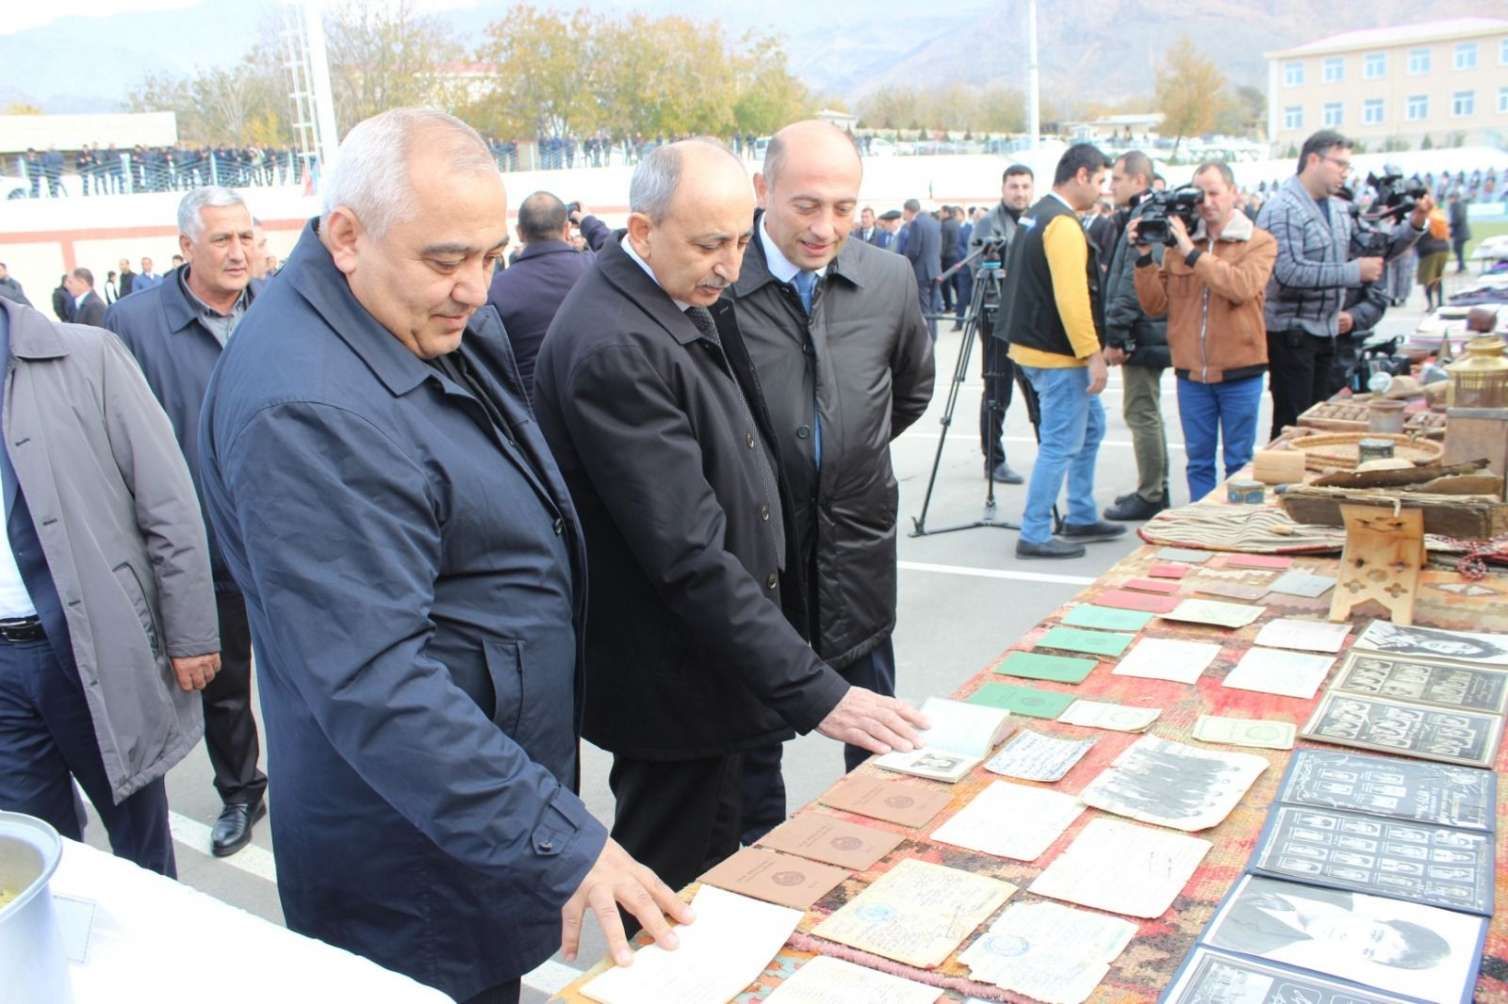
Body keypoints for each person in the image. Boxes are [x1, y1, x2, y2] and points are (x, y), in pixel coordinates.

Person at [197, 108, 689, 1004]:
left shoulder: (410, 315)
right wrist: (562, 841)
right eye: (446, 260)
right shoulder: (307, 407)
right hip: (406, 857)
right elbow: (375, 681)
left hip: (465, 817)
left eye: (489, 255)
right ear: (346, 236)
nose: (475, 287)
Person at [533, 139, 928, 897]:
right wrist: (822, 694)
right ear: (642, 233)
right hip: (677, 686)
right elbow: (687, 555)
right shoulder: (617, 344)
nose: (728, 263)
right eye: (710, 244)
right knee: (684, 886)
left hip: (714, 667)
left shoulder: (673, 296)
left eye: (740, 240)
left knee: (728, 866)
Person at [725, 121, 934, 841]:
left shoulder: (888, 279)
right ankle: (756, 879)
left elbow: (907, 394)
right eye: (806, 206)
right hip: (758, 559)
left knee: (878, 738)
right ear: (762, 191)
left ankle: (875, 862)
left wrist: (842, 461)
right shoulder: (721, 284)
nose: (826, 227)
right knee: (749, 756)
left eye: (844, 208)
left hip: (857, 552)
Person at [0, 294, 219, 879]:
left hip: (89, 641)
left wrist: (191, 631)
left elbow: (168, 502)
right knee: (39, 852)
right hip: (3, 669)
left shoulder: (86, 357)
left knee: (139, 846)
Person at [106, 187, 270, 858]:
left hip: (289, 536)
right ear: (186, 248)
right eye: (222, 241)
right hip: (203, 546)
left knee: (324, 672)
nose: (238, 253)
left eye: (245, 238)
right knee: (224, 686)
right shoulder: (131, 327)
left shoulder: (286, 310)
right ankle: (241, 792)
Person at [1256, 130, 1429, 438]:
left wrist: (1415, 224)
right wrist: (1352, 272)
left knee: (1319, 424)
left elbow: (1377, 248)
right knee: (1292, 426)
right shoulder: (1281, 208)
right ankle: (1282, 479)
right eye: (1340, 164)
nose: (1345, 173)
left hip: (1327, 333)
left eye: (1348, 167)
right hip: (1291, 336)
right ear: (1313, 159)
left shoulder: (1337, 208)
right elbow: (1287, 272)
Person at [1001, 143, 1125, 559]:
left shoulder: (1036, 216)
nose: (1103, 190)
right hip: (1059, 356)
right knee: (1061, 442)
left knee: (1089, 430)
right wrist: (1093, 355)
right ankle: (1035, 531)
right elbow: (1072, 298)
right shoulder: (1063, 225)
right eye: (1101, 180)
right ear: (1082, 175)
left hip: (1035, 347)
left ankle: (1082, 513)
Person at [1132, 161, 1278, 503]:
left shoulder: (1258, 242)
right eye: (1200, 195)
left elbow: (1241, 287)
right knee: (1198, 463)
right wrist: (1143, 259)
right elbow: (1155, 306)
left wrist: (1191, 252)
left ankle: (1236, 530)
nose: (1207, 202)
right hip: (1191, 374)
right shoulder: (1177, 245)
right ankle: (1200, 530)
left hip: (1240, 372)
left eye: (1214, 193)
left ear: (1234, 194)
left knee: (1240, 463)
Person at [484, 191, 610, 401]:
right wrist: (588, 221)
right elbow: (620, 251)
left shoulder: (495, 289)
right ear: (567, 229)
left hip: (531, 416)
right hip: (597, 404)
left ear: (520, 232)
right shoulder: (596, 268)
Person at [1101, 150, 1171, 521]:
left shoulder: (1145, 219)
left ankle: (1152, 491)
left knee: (1141, 411)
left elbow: (1131, 284)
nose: (1111, 185)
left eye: (1117, 178)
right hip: (1147, 330)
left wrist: (1116, 335)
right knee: (1147, 411)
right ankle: (1156, 485)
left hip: (1143, 332)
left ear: (1139, 181)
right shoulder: (1144, 214)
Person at [1216, 880, 1450, 971]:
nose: (1350, 939)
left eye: (1367, 951)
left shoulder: (1254, 945)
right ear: (1379, 919)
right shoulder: (1334, 878)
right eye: (1375, 935)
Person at [970, 164, 1035, 485]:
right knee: (998, 390)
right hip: (997, 322)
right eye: (1014, 186)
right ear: (1003, 188)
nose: (1020, 192)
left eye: (1025, 186)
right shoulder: (988, 222)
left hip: (1032, 323)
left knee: (1036, 389)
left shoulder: (1038, 218)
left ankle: (1049, 452)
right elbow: (980, 271)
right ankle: (993, 460)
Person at [900, 198, 942, 337]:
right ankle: (933, 335)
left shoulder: (916, 223)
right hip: (935, 269)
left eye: (903, 211)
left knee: (924, 308)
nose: (903, 214)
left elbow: (914, 250)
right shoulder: (934, 222)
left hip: (922, 272)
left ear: (907, 210)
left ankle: (927, 339)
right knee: (932, 307)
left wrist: (904, 263)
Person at [1448, 192, 1471, 273]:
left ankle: (1461, 266)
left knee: (1458, 249)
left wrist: (1449, 225)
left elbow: (1457, 219)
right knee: (1458, 250)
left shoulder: (1456, 206)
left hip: (1460, 233)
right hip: (1461, 232)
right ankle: (1461, 265)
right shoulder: (1461, 205)